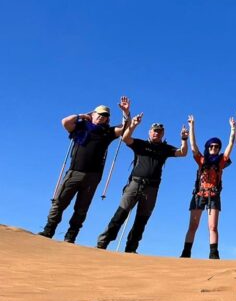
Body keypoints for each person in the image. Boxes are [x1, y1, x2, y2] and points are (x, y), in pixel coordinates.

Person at [39, 97, 131, 243]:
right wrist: (82, 116)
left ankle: (70, 236)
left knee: (81, 209)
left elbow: (125, 127)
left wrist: (126, 113)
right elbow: (65, 121)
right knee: (59, 202)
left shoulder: (107, 132)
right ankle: (48, 230)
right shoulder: (80, 127)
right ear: (93, 114)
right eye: (99, 114)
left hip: (93, 176)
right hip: (74, 172)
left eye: (105, 115)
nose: (102, 117)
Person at [96, 114, 188, 252]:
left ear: (163, 134)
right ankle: (103, 243)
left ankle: (131, 248)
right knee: (120, 214)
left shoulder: (165, 149)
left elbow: (183, 153)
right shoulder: (141, 144)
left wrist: (184, 139)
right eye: (154, 131)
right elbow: (125, 138)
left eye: (159, 131)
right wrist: (133, 125)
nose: (156, 133)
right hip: (135, 183)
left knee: (142, 220)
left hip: (152, 187)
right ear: (149, 132)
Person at [180, 115, 236, 259]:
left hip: (214, 195)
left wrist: (233, 129)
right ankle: (186, 253)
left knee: (213, 227)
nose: (214, 148)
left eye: (216, 147)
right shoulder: (202, 160)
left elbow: (231, 145)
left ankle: (213, 254)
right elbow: (193, 146)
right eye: (211, 146)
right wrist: (192, 126)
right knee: (193, 226)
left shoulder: (221, 161)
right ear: (208, 147)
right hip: (199, 194)